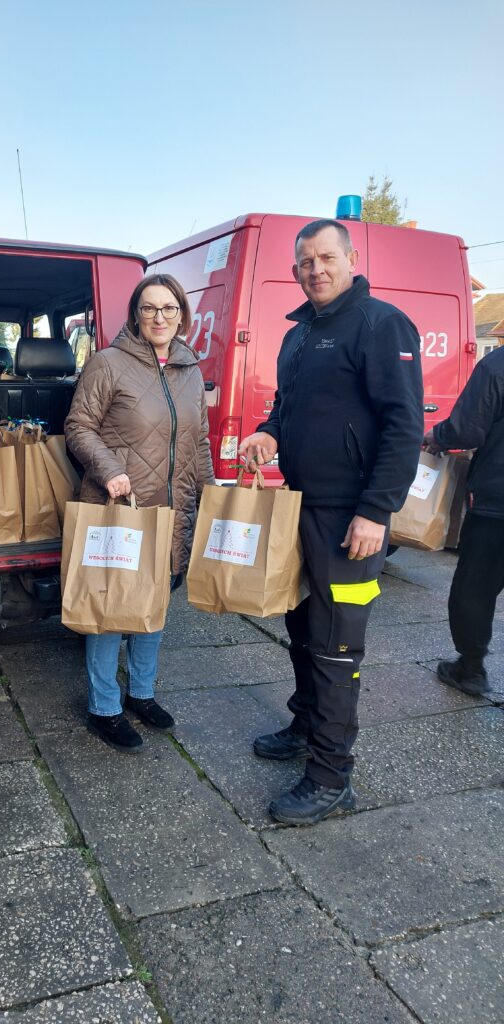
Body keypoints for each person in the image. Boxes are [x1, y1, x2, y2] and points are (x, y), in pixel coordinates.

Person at [238, 219, 424, 825]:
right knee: (301, 628)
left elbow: (403, 424)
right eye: (305, 262)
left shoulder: (381, 324)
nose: (315, 270)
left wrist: (376, 510)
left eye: (326, 258)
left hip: (352, 519)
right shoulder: (298, 334)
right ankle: (305, 725)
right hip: (301, 507)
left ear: (350, 259)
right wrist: (268, 432)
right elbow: (284, 406)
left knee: (337, 645)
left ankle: (330, 776)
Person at [65, 274, 214, 751]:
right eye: (149, 308)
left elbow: (200, 442)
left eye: (169, 308)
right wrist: (109, 469)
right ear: (135, 315)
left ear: (182, 315)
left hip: (172, 509)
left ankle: (142, 693)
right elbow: (78, 427)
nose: (159, 317)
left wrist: (211, 495)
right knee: (111, 607)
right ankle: (104, 707)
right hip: (121, 507)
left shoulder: (191, 371)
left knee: (156, 603)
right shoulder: (107, 364)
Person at [423, 346, 504, 695]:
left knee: (476, 587)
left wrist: (437, 436)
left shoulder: (497, 365)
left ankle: (470, 668)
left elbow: (467, 430)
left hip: (497, 503)